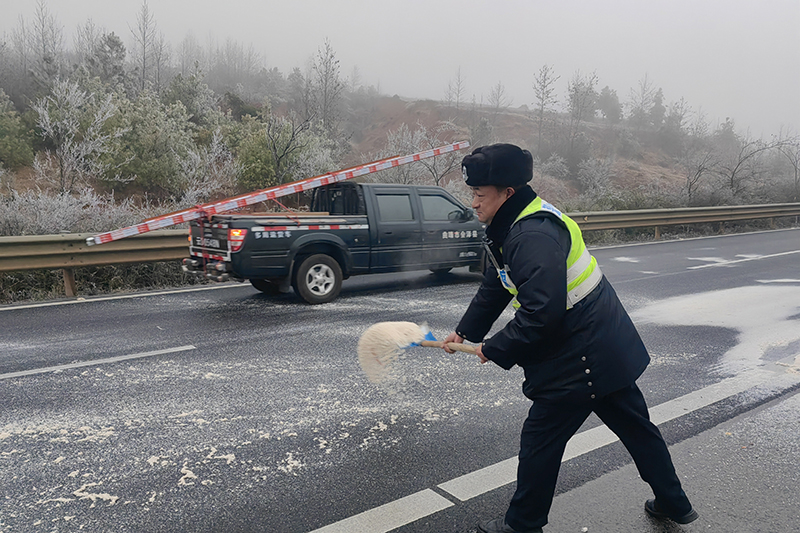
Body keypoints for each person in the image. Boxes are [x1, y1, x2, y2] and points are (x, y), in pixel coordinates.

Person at [443, 143, 698, 533]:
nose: (473, 203)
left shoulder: (532, 234)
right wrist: (466, 331)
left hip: (580, 353)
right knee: (636, 427)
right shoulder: (513, 223)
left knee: (541, 439)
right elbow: (499, 282)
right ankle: (674, 503)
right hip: (602, 341)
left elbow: (541, 313)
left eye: (479, 195)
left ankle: (522, 524)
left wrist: (494, 348)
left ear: (507, 192)